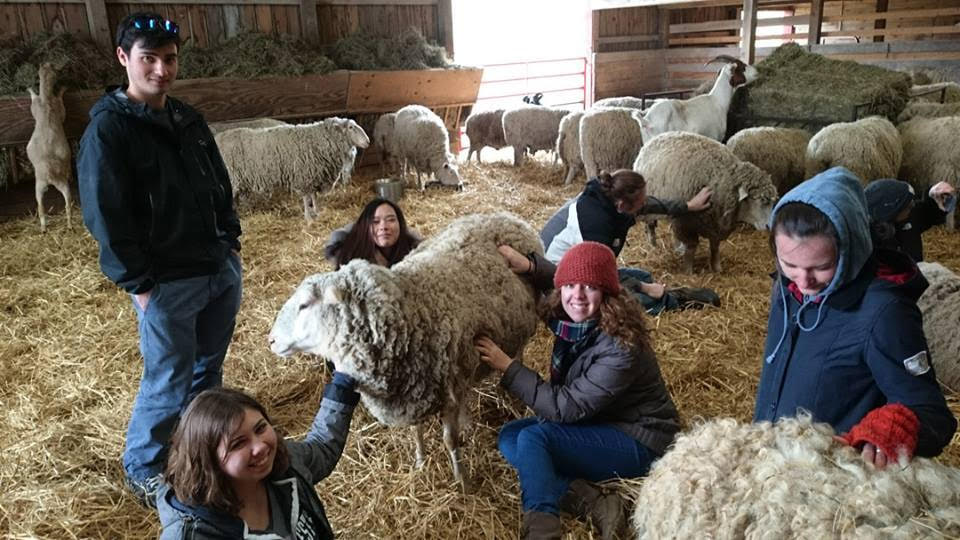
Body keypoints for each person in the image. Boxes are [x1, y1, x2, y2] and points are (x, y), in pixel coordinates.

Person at [77, 12, 242, 506]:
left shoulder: (188, 119)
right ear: (124, 58)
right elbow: (106, 215)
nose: (161, 71)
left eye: (169, 59)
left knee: (207, 369)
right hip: (167, 282)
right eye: (148, 59)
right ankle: (144, 465)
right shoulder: (109, 131)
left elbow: (219, 182)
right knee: (169, 378)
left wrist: (229, 241)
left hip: (216, 268)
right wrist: (140, 284)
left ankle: (194, 445)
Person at [475, 241, 680, 540]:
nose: (577, 296)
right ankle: (594, 501)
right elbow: (566, 278)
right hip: (600, 419)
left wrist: (508, 367)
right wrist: (531, 266)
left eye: (589, 287)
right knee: (511, 438)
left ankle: (542, 531)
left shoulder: (621, 346)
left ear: (607, 292)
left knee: (534, 438)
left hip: (640, 438)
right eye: (570, 286)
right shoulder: (575, 320)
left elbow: (563, 408)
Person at [755, 167, 956, 469]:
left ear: (853, 247)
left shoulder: (884, 312)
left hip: (829, 484)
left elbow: (932, 414)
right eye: (788, 263)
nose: (804, 280)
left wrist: (893, 426)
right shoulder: (788, 290)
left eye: (820, 266)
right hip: (771, 469)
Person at [156, 375, 360, 538]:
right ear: (208, 460)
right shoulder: (194, 534)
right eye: (238, 443)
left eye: (260, 428)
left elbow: (321, 448)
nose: (260, 447)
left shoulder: (282, 462)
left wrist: (342, 383)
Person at [540, 169, 720, 314]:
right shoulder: (596, 227)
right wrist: (646, 289)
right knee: (627, 301)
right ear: (622, 206)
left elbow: (648, 204)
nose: (643, 206)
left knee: (641, 275)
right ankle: (676, 301)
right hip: (557, 282)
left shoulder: (607, 198)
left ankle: (662, 293)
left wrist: (688, 206)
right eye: (639, 204)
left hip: (581, 266)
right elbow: (599, 273)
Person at [865, 178, 956, 262]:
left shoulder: (909, 217)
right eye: (907, 205)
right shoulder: (869, 241)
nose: (912, 205)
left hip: (914, 274)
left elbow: (929, 213)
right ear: (892, 211)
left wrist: (935, 196)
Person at [323, 198, 421, 269]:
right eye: (375, 222)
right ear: (365, 228)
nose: (383, 227)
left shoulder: (416, 255)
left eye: (391, 220)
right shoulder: (350, 263)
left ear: (400, 224)